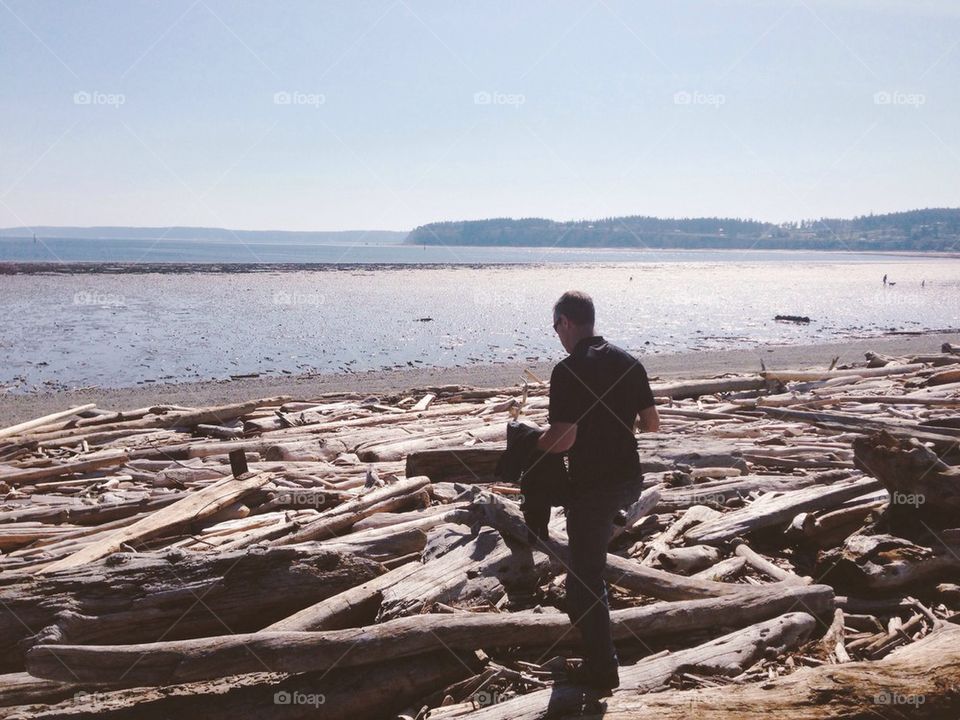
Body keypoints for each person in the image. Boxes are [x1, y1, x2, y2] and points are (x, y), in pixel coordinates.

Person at [535, 290, 660, 693]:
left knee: (587, 577)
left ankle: (602, 672)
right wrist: (616, 430)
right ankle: (589, 639)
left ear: (567, 323)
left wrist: (530, 446)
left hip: (595, 485)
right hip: (629, 480)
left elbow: (564, 439)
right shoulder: (629, 361)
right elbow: (651, 423)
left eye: (556, 326)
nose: (556, 334)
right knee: (585, 567)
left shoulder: (567, 371)